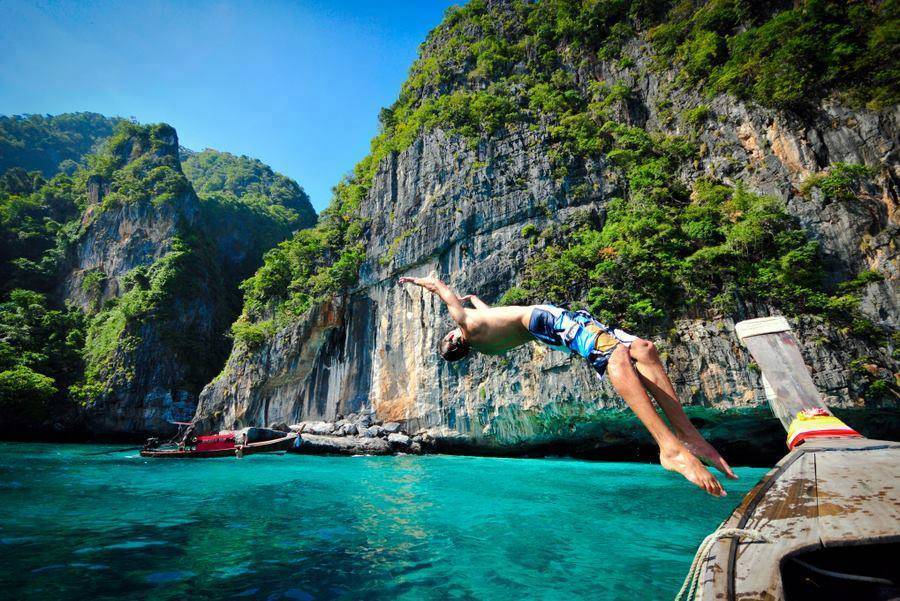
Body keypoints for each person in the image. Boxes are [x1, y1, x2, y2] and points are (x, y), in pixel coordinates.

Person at [399, 274, 737, 497]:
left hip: (557, 323)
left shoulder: (483, 342)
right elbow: (446, 294)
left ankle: (689, 435)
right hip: (549, 321)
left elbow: (493, 314)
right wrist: (426, 281)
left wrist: (475, 302)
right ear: (454, 336)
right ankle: (669, 447)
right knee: (617, 358)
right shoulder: (464, 324)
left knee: (643, 350)